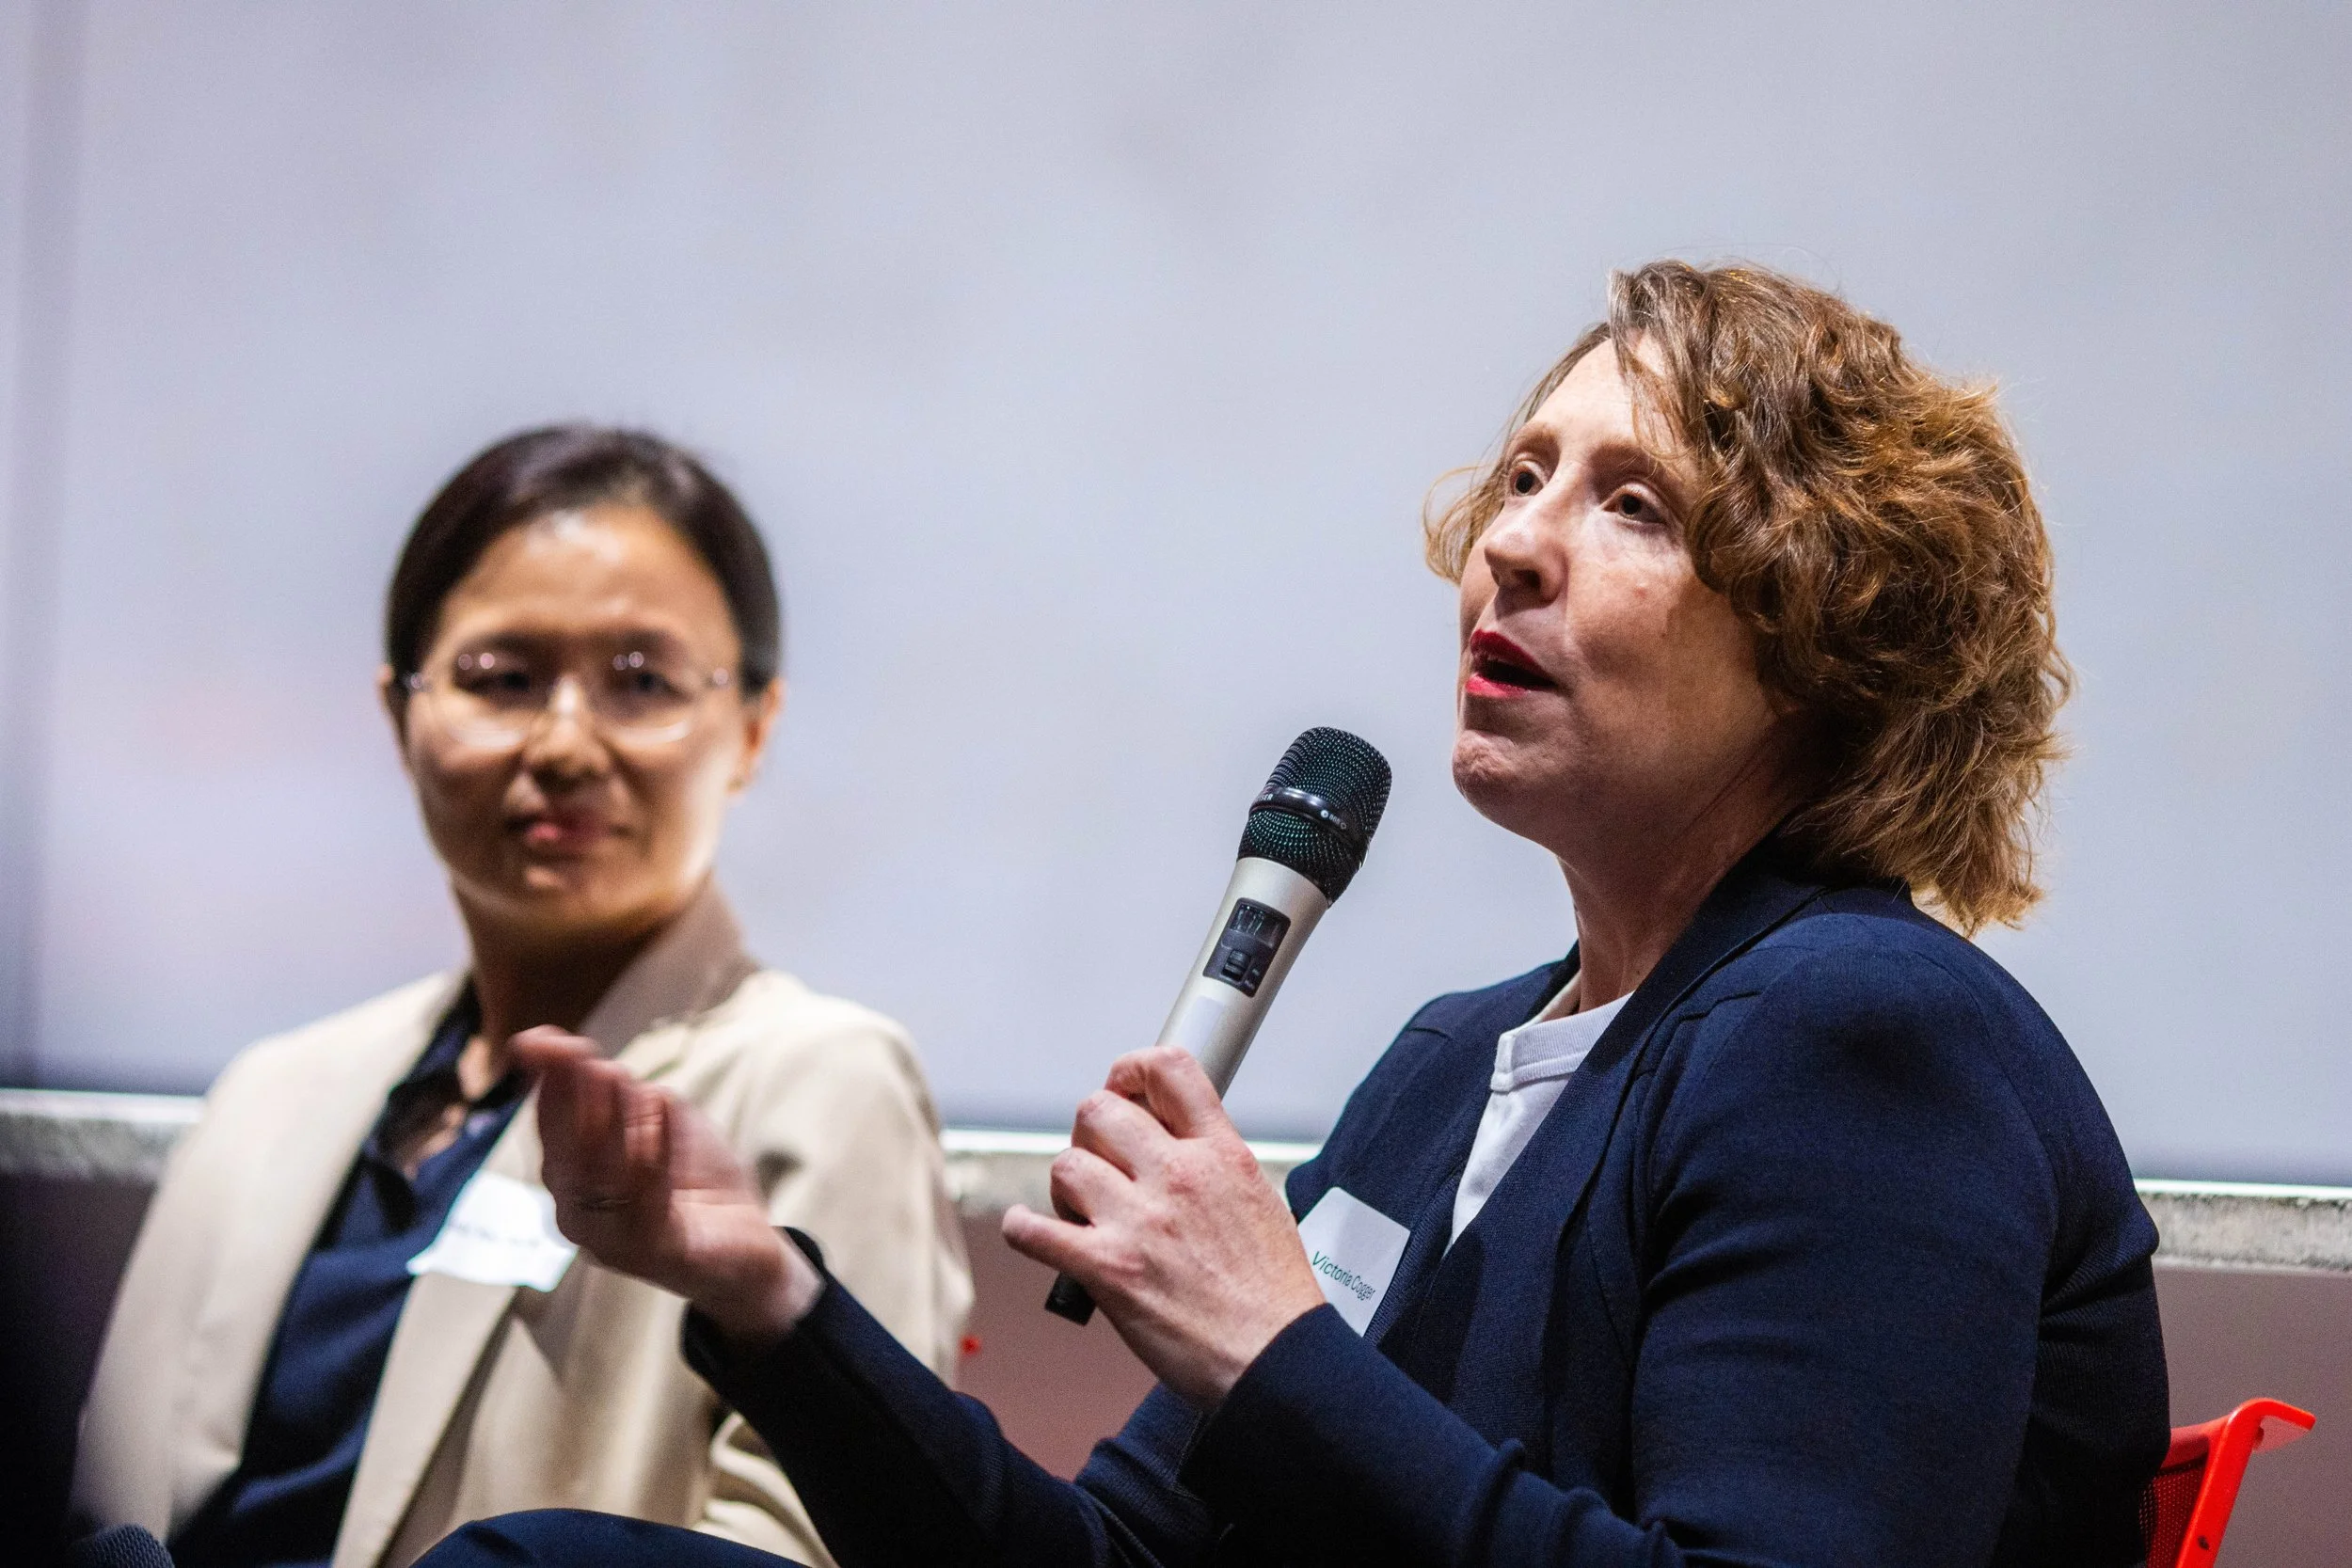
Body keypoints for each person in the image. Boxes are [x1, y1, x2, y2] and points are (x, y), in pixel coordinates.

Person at [425, 262, 2169, 1568]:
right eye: (1526, 475)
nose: (1515, 546)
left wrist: (1274, 1346)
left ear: (1824, 635)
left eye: (1631, 503)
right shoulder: (1452, 1061)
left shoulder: (1857, 1029)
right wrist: (767, 1302)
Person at [71, 427, 973, 1568]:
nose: (563, 741)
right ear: (402, 714)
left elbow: (819, 1541)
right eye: (503, 678)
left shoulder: (820, 1077)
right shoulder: (273, 1090)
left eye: (641, 681)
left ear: (753, 725)